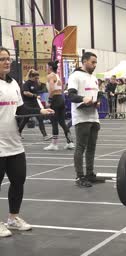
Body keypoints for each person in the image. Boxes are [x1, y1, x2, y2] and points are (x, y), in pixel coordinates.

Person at [0, 47, 54, 237]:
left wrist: (40, 112)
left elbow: (20, 109)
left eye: (8, 59)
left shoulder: (14, 83)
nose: (7, 62)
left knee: (18, 181)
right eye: (2, 59)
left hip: (14, 143)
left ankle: (13, 218)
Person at [67, 52, 104, 187]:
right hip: (81, 117)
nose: (94, 65)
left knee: (92, 147)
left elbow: (98, 93)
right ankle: (79, 176)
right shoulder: (75, 76)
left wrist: (98, 100)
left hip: (94, 116)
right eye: (92, 62)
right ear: (84, 61)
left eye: (95, 63)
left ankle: (90, 174)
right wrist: (83, 99)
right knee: (81, 147)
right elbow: (70, 95)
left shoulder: (93, 77)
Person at [44, 60, 75, 151]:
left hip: (55, 99)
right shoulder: (57, 76)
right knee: (62, 122)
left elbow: (52, 88)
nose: (46, 68)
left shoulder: (50, 76)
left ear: (50, 67)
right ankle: (70, 142)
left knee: (54, 121)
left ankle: (54, 144)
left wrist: (49, 100)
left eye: (47, 66)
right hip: (61, 99)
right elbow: (60, 88)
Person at [17, 69, 51, 140]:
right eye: (36, 78)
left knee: (40, 118)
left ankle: (45, 135)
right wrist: (34, 96)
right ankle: (18, 133)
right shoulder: (27, 83)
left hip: (35, 103)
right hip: (28, 104)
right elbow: (25, 92)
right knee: (25, 119)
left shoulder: (35, 83)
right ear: (31, 76)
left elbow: (40, 89)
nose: (37, 79)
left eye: (38, 78)